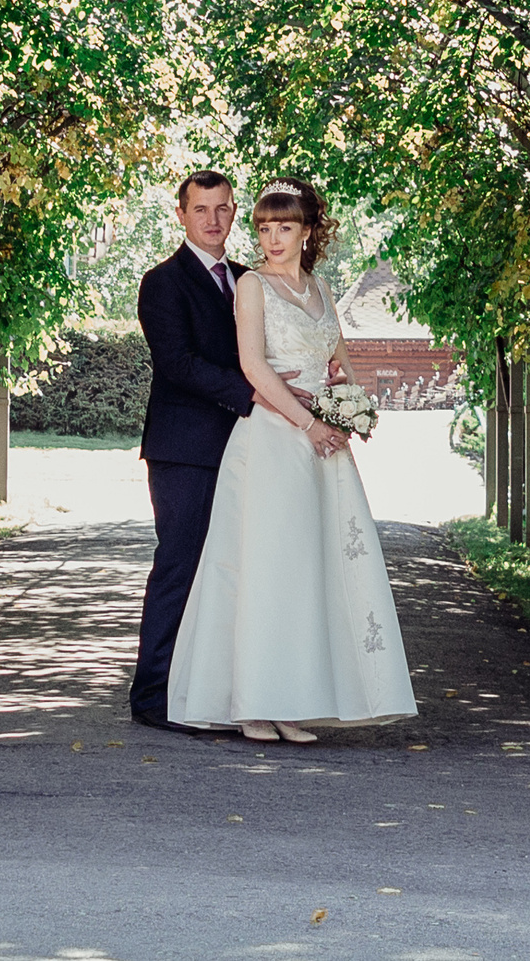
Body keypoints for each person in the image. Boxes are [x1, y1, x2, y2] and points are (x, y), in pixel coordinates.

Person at [165, 177, 417, 740]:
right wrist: (309, 424)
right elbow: (253, 368)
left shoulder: (323, 288)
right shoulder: (252, 285)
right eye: (262, 227)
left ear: (308, 231)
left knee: (310, 573)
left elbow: (341, 363)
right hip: (275, 440)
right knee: (267, 569)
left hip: (326, 445)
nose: (272, 238)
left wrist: (348, 404)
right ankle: (253, 704)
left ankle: (291, 703)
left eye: (284, 227)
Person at [129, 169, 283, 732]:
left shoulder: (250, 281)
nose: (213, 220)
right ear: (181, 215)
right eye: (201, 210)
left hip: (250, 449)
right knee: (181, 566)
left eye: (223, 209)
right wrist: (257, 395)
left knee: (235, 573)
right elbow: (179, 364)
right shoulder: (162, 283)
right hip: (186, 450)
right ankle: (153, 697)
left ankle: (216, 693)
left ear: (235, 212)